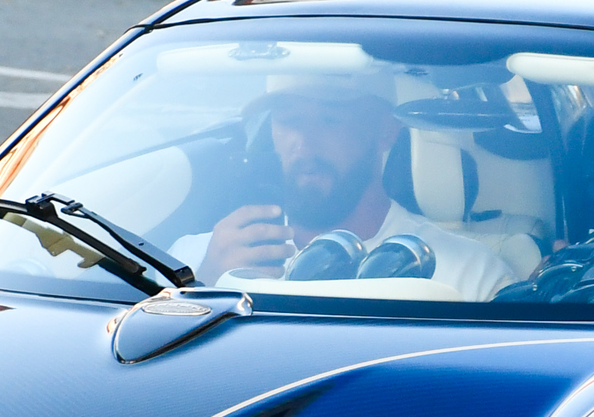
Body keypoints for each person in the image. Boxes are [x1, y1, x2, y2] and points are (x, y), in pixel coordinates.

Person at [185, 74, 514, 300]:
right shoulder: (201, 256)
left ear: (385, 132)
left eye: (330, 121)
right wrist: (204, 284)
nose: (304, 143)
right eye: (289, 122)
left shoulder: (469, 276)